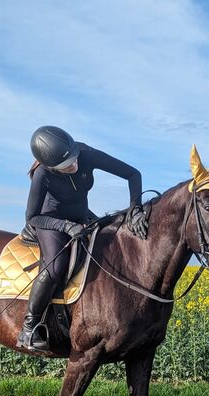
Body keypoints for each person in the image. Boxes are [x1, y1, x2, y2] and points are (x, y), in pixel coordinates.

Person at [16, 125, 149, 352]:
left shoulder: (85, 153)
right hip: (51, 221)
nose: (75, 165)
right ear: (52, 167)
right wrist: (66, 226)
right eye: (67, 166)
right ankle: (29, 327)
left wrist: (135, 209)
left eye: (75, 159)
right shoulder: (42, 174)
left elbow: (133, 174)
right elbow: (32, 217)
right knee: (56, 267)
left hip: (81, 216)